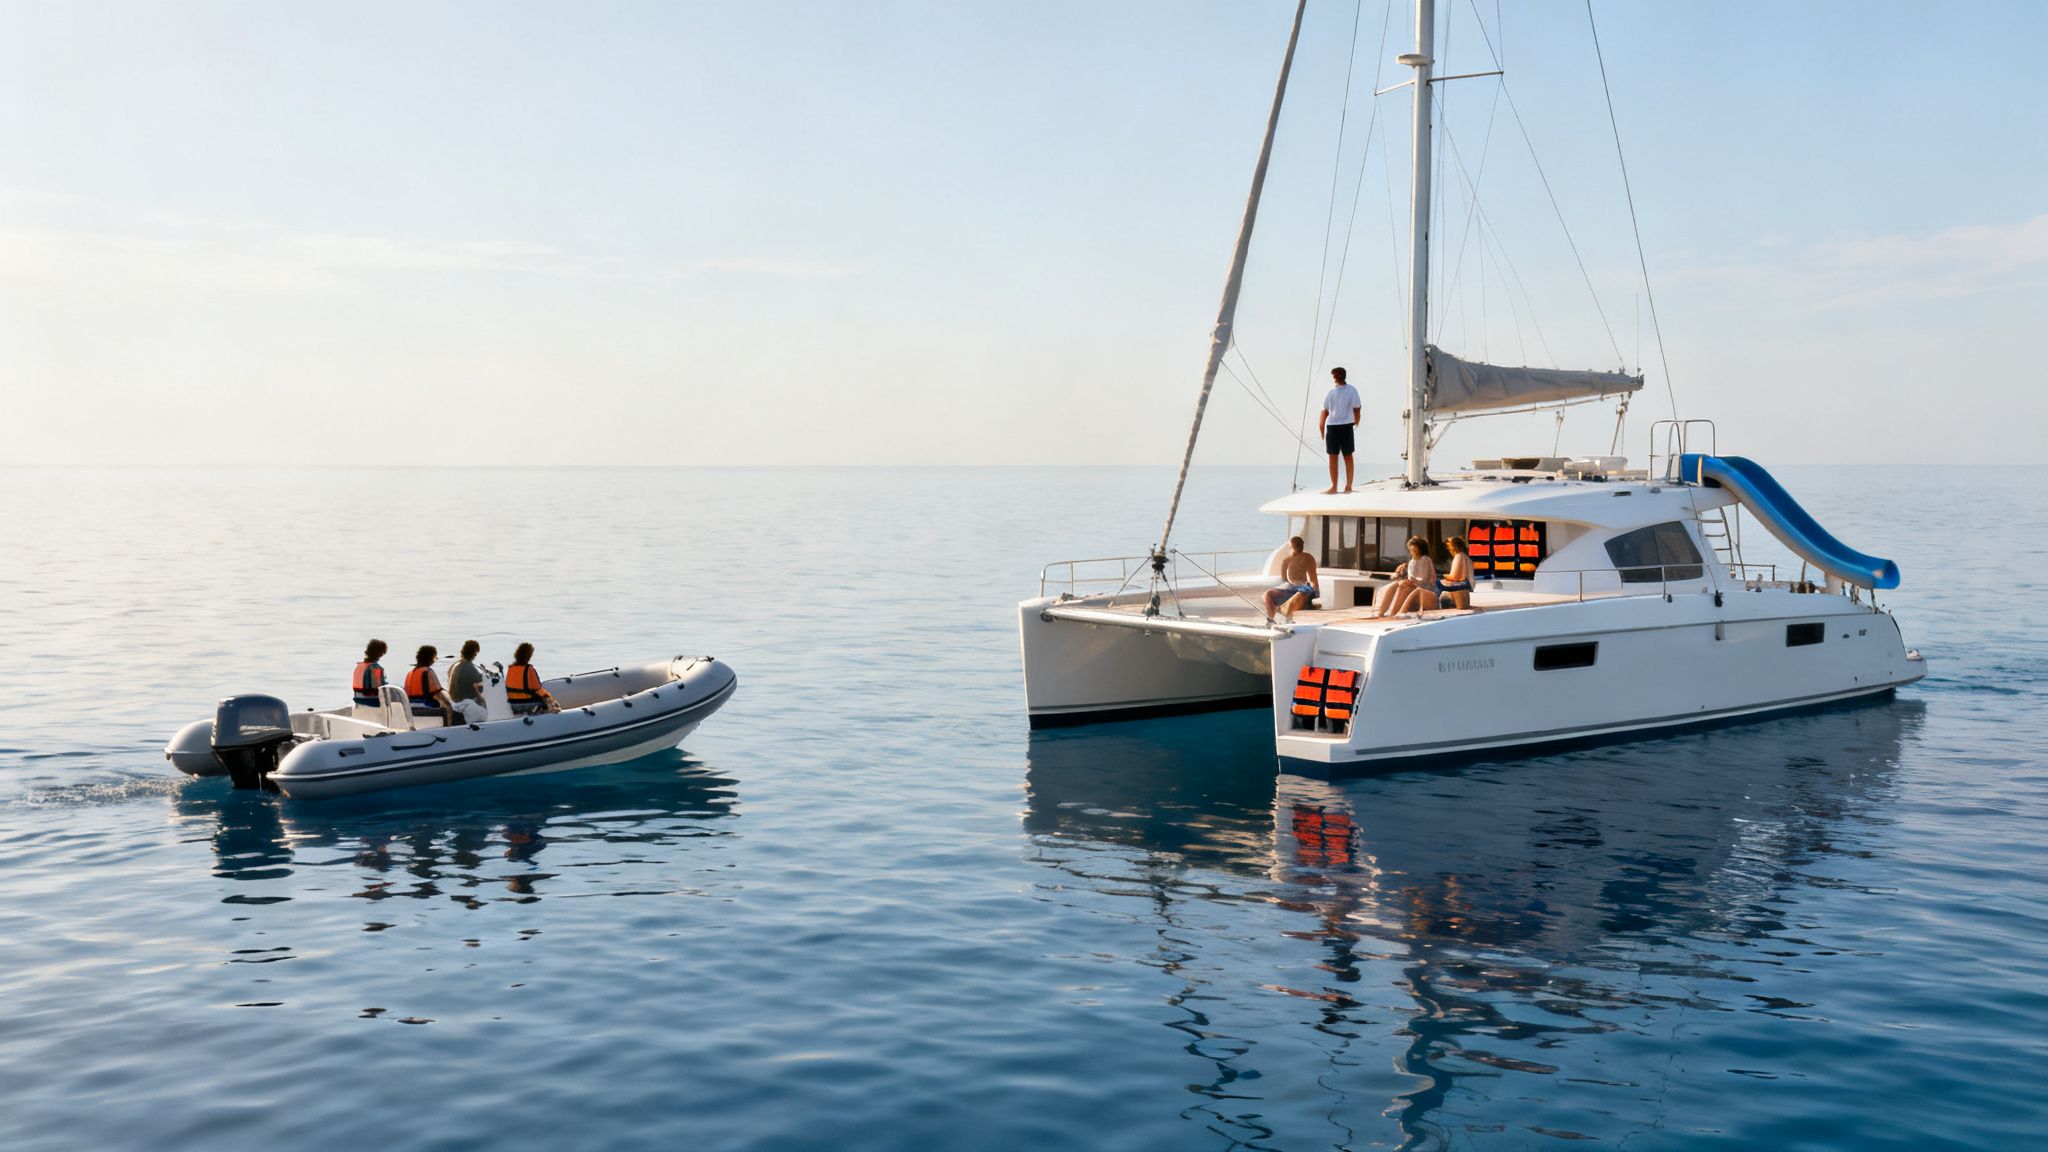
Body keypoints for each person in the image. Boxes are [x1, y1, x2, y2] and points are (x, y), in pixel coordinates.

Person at [1318, 366, 1362, 494]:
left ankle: (1348, 486)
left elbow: (1357, 408)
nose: (1334, 377)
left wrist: (1357, 420)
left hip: (1346, 424)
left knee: (1347, 455)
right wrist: (1321, 426)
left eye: (1335, 375)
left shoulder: (1351, 390)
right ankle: (1334, 486)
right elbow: (1324, 411)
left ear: (1339, 376)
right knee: (1333, 456)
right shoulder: (1331, 392)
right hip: (1332, 426)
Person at [1261, 536, 1320, 624]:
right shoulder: (1287, 560)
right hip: (1289, 587)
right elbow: (1284, 578)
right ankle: (1271, 619)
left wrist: (1316, 591)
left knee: (1301, 594)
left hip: (1302, 587)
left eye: (1297, 545)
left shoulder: (1307, 557)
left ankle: (1288, 619)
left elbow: (1313, 578)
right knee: (1267, 594)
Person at [1375, 536, 1437, 618]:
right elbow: (1410, 576)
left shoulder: (1426, 559)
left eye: (1414, 550)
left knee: (1404, 586)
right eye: (1411, 550)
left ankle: (1394, 613)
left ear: (1420, 549)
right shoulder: (1412, 562)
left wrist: (1413, 580)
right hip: (1415, 585)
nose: (1412, 552)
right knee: (1396, 584)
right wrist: (1400, 574)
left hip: (1426, 587)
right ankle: (1381, 612)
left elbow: (1425, 579)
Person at [403, 644, 457, 726]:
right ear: (431, 658)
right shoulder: (428, 672)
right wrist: (450, 704)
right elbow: (439, 694)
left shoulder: (410, 673)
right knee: (449, 709)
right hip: (425, 706)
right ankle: (449, 729)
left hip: (410, 708)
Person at [505, 642, 560, 715]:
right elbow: (538, 689)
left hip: (513, 705)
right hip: (527, 704)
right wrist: (551, 699)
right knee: (547, 702)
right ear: (528, 656)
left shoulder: (510, 669)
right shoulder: (528, 669)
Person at [447, 639, 489, 724]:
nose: (475, 656)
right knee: (488, 714)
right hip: (466, 702)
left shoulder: (454, 665)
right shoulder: (468, 666)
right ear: (473, 653)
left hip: (455, 702)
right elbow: (480, 682)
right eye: (475, 653)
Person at [1435, 536, 1474, 610]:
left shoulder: (1459, 556)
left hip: (1463, 583)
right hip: (1467, 582)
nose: (1449, 550)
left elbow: (1455, 577)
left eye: (1450, 547)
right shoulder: (1465, 556)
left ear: (1454, 547)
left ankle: (1436, 605)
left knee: (1437, 583)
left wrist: (1442, 576)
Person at [352, 639, 389, 707]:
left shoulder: (359, 667)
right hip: (373, 702)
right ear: (380, 654)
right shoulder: (376, 668)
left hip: (359, 701)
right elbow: (382, 689)